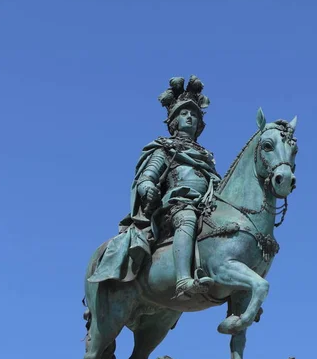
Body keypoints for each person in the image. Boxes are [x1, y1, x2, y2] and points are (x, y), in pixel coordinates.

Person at [89, 76, 221, 298]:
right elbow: (148, 176)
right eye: (184, 113)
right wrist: (146, 185)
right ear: (174, 121)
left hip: (205, 206)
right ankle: (182, 280)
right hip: (175, 207)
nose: (190, 117)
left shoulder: (206, 157)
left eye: (194, 115)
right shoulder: (164, 148)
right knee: (187, 218)